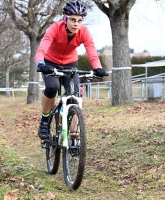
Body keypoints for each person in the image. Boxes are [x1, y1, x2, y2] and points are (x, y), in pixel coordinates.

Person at [35, 1, 107, 139]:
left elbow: (91, 51)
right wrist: (40, 63)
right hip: (51, 62)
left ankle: (74, 135)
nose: (76, 24)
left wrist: (98, 67)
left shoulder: (84, 32)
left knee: (75, 96)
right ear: (65, 18)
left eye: (80, 21)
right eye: (73, 20)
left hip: (70, 64)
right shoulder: (55, 28)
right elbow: (42, 49)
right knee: (52, 87)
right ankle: (44, 120)